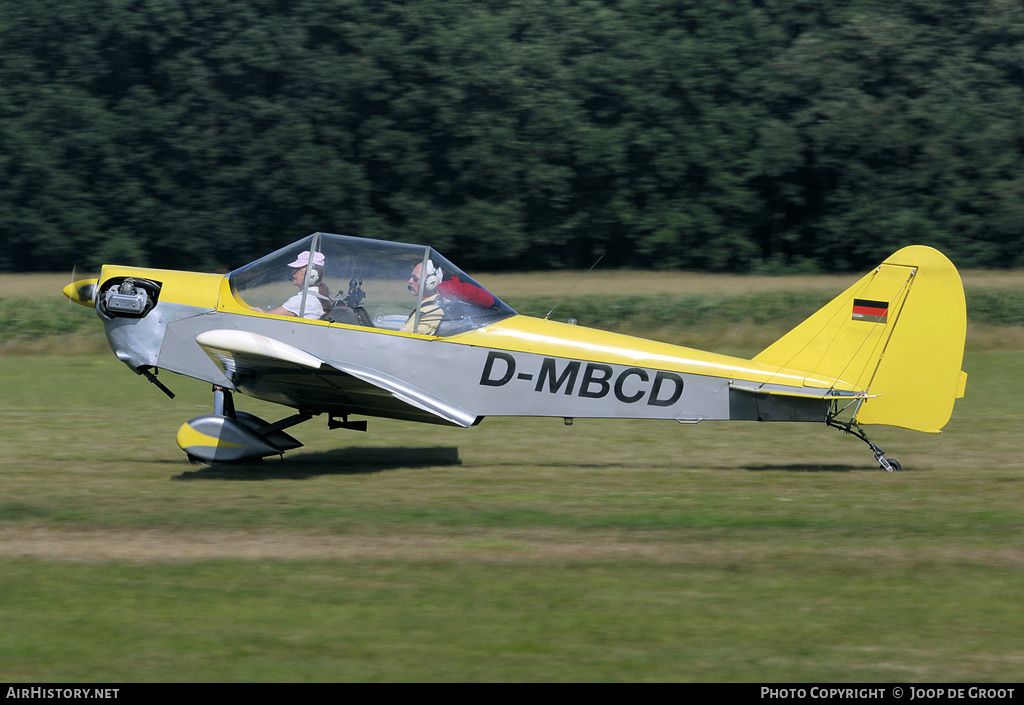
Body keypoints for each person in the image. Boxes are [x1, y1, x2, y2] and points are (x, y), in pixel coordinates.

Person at [401, 259, 495, 335]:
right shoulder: (427, 306)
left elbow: (406, 340)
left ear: (430, 282)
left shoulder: (431, 311)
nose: (410, 281)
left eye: (415, 278)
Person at [267, 251, 331, 319]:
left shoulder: (302, 300)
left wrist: (258, 311)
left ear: (312, 274)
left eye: (297, 269)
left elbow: (265, 318)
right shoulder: (318, 295)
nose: (292, 273)